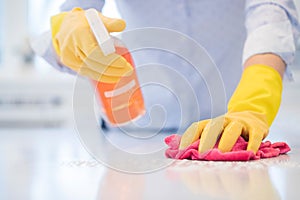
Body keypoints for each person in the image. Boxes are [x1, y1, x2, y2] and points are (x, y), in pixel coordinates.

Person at [34, 0, 300, 154]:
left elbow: (271, 17)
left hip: (229, 135)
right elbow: (73, 15)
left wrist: (253, 104)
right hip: (131, 134)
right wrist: (68, 33)